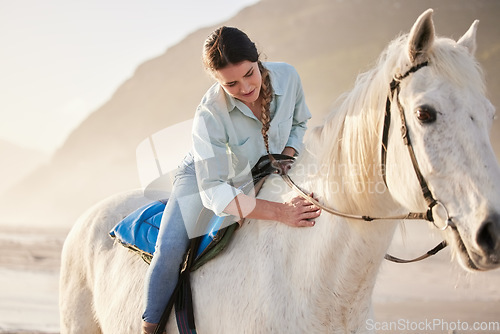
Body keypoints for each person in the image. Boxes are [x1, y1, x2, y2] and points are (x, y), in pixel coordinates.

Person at [142, 26, 321, 333]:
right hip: (207, 173)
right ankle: (149, 327)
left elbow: (300, 121)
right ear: (216, 80)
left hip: (274, 160)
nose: (245, 87)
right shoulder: (209, 113)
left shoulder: (288, 76)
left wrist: (288, 153)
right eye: (231, 83)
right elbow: (213, 191)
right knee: (170, 248)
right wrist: (279, 212)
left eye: (250, 74)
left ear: (258, 59)